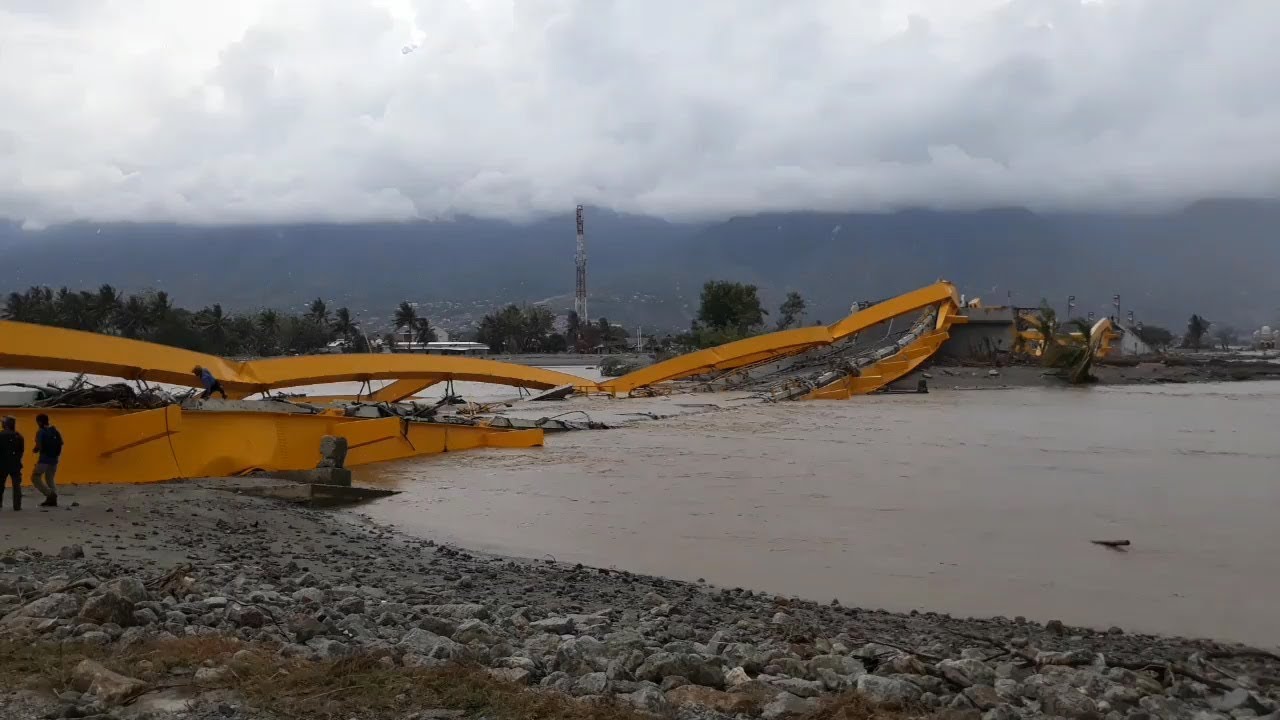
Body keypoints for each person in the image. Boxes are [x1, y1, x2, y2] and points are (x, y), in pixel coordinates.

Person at [31, 413, 62, 507]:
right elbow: (61, 443)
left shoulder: (41, 431)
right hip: (54, 459)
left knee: (35, 477)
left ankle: (50, 495)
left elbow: (39, 446)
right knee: (50, 479)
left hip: (44, 460)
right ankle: (53, 499)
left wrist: (35, 449)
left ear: (39, 422)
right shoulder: (55, 431)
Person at [0, 417, 23, 511]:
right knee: (16, 486)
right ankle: (17, 505)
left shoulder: (0, 435)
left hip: (1, 464)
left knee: (0, 484)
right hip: (15, 464)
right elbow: (21, 451)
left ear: (6, 424)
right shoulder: (19, 436)